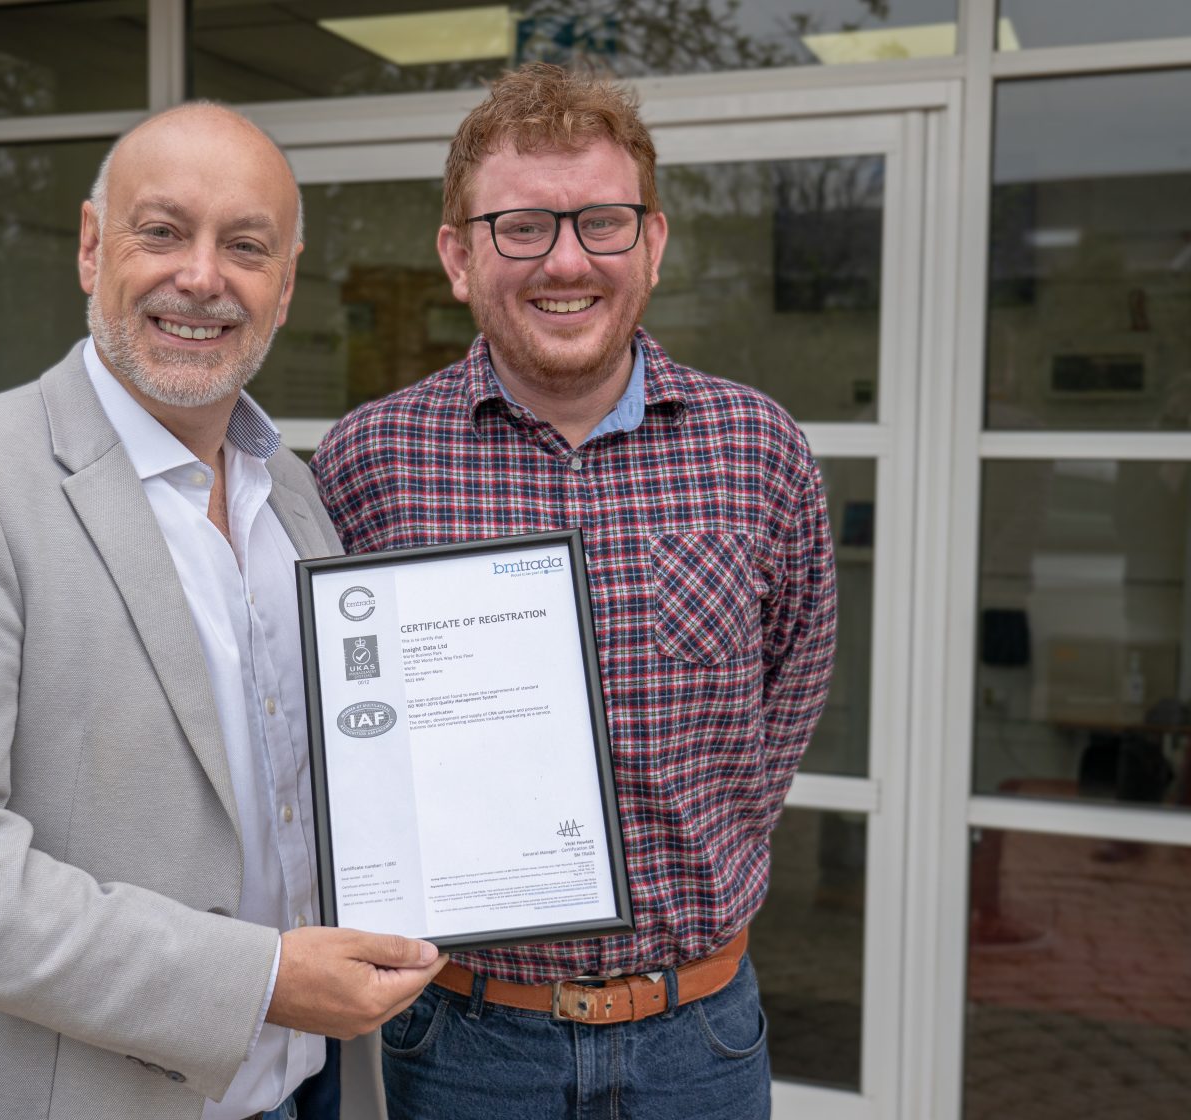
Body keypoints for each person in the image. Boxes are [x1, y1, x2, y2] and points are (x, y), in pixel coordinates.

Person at [0, 102, 444, 1120]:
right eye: (162, 231)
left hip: (303, 1091)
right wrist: (257, 982)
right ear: (90, 247)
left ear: (285, 288)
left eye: (246, 247)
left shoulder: (292, 496)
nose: (201, 276)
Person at [311, 64, 838, 1120]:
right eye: (520, 228)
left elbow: (790, 692)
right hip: (465, 1042)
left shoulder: (757, 450)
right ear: (458, 257)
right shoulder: (370, 462)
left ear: (652, 243)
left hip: (699, 1034)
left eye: (601, 222)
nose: (565, 261)